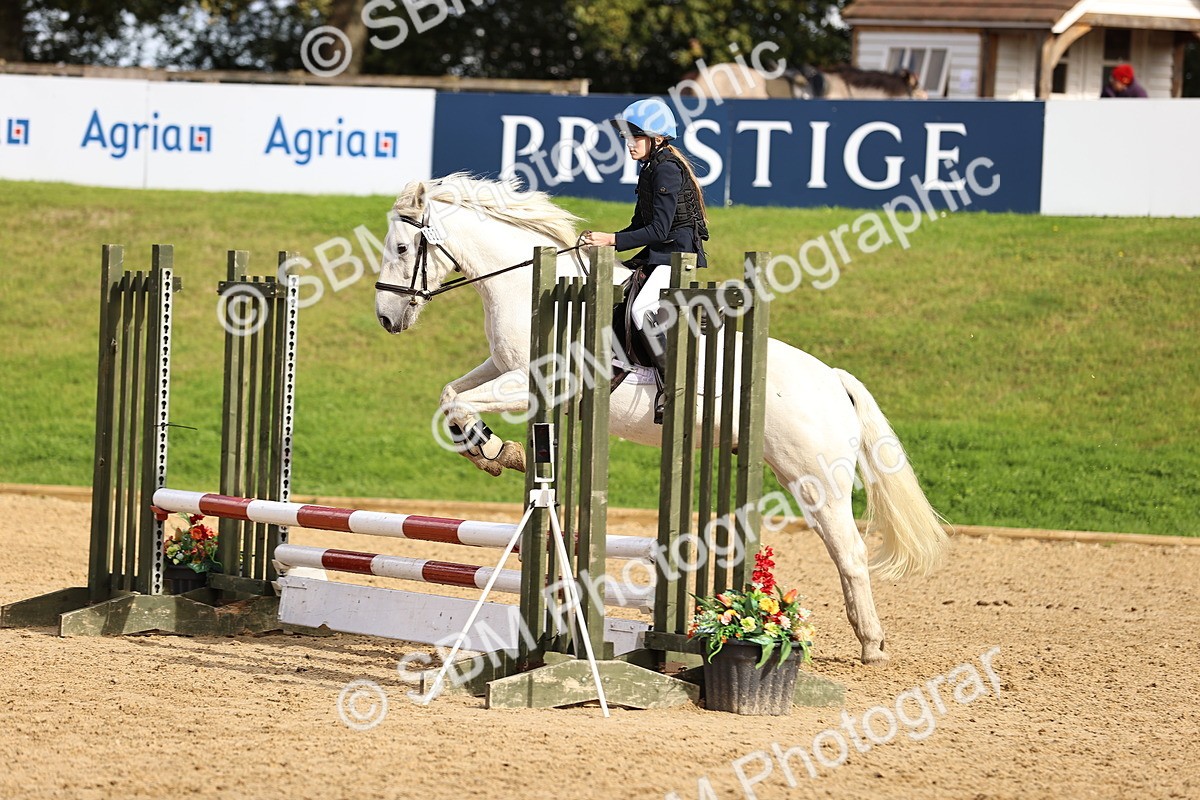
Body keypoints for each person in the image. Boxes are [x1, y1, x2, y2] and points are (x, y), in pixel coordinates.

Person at [582, 97, 709, 423]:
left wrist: (612, 240)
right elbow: (639, 227)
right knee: (621, 301)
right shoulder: (651, 169)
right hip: (660, 253)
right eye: (627, 137)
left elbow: (658, 229)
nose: (629, 144)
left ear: (657, 138)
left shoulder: (666, 169)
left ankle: (674, 388)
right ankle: (623, 367)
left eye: (635, 137)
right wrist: (605, 242)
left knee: (641, 309)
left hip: (677, 257)